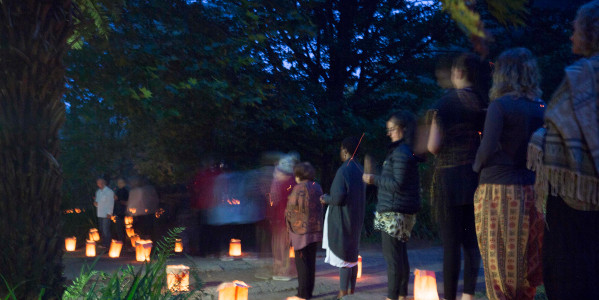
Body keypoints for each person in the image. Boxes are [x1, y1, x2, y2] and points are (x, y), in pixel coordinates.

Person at [527, 1, 599, 298]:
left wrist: (539, 137)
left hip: (574, 192)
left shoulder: (583, 75)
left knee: (568, 275)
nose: (571, 37)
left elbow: (563, 124)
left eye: (575, 29)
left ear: (591, 32)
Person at [473, 48, 545, 300]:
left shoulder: (500, 106)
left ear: (503, 74)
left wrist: (475, 167)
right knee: (525, 262)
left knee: (498, 262)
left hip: (498, 191)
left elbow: (488, 147)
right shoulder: (541, 108)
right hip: (531, 189)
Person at [427, 53, 487, 300]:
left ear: (459, 72)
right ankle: (469, 295)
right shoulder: (484, 103)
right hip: (475, 179)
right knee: (472, 242)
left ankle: (450, 296)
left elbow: (433, 146)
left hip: (449, 180)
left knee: (451, 245)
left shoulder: (444, 104)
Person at [363, 111, 421, 300]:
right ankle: (401, 294)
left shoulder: (401, 153)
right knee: (399, 255)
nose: (388, 134)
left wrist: (373, 179)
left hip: (394, 212)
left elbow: (397, 184)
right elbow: (395, 179)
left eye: (392, 130)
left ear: (403, 129)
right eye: (387, 130)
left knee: (393, 258)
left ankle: (392, 296)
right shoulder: (403, 151)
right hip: (399, 210)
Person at [320, 137, 366, 299]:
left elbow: (338, 198)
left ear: (345, 151)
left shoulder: (344, 170)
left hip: (342, 218)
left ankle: (342, 293)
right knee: (352, 255)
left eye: (341, 149)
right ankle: (351, 291)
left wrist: (326, 198)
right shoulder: (360, 169)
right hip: (356, 217)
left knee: (343, 255)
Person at [285, 162, 323, 300]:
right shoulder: (317, 187)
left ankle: (302, 294)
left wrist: (288, 226)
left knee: (302, 264)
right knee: (311, 263)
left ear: (299, 175)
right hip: (315, 230)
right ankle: (309, 292)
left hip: (300, 232)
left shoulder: (298, 188)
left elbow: (290, 210)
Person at [269, 153, 299, 280]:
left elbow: (274, 200)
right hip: (285, 218)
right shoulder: (292, 181)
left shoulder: (281, 182)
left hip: (283, 218)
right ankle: (284, 268)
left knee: (282, 244)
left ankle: (284, 269)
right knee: (282, 244)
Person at [94, 177, 114, 248]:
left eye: (101, 183)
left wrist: (110, 213)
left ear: (104, 183)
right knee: (101, 229)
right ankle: (104, 244)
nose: (100, 184)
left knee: (106, 230)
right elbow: (96, 201)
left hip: (106, 213)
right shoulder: (98, 192)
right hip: (100, 213)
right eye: (98, 183)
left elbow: (111, 203)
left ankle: (108, 245)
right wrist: (96, 203)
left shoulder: (109, 192)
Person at [113, 178, 129, 243]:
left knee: (121, 227)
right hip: (118, 211)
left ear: (124, 183)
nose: (119, 184)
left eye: (120, 183)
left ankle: (122, 241)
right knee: (119, 228)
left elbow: (125, 202)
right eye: (118, 183)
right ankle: (121, 240)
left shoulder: (125, 191)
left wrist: (117, 199)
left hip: (122, 212)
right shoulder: (118, 191)